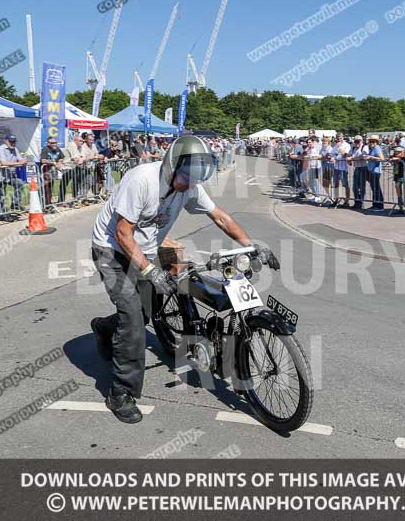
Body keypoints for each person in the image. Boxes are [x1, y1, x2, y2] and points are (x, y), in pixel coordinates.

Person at [89, 136, 279, 423]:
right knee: (133, 320)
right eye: (186, 177)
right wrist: (150, 271)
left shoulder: (190, 186)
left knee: (144, 313)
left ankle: (104, 328)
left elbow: (221, 217)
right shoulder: (141, 180)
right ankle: (120, 394)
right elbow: (122, 234)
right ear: (170, 166)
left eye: (195, 179)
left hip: (145, 249)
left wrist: (251, 246)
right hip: (111, 250)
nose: (190, 184)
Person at [0, 134, 27, 220]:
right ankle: (2, 212)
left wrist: (23, 160)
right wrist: (19, 163)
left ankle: (15, 204)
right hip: (0, 175)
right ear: (5, 141)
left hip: (10, 174)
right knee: (2, 194)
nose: (13, 143)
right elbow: (3, 163)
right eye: (11, 141)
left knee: (20, 184)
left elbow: (20, 159)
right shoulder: (1, 148)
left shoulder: (15, 149)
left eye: (14, 141)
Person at [62, 133, 88, 204]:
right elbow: (76, 158)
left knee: (76, 182)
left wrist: (82, 158)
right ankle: (61, 201)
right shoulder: (72, 145)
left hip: (74, 167)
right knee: (64, 184)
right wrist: (82, 158)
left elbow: (84, 156)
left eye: (83, 141)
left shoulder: (81, 147)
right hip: (66, 167)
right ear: (75, 141)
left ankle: (75, 199)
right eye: (80, 141)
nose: (82, 143)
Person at [39, 136, 64, 207]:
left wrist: (59, 162)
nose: (54, 144)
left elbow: (61, 157)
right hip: (45, 172)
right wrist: (53, 163)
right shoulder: (45, 149)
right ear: (48, 143)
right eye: (52, 143)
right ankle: (43, 205)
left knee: (50, 188)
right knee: (45, 189)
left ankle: (48, 203)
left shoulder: (57, 149)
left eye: (55, 143)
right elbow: (43, 160)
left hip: (52, 173)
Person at [364, 135, 385, 211]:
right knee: (374, 188)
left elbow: (382, 158)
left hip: (376, 171)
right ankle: (375, 204)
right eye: (370, 141)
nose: (371, 143)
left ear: (376, 142)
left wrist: (371, 157)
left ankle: (379, 206)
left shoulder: (377, 148)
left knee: (376, 188)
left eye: (373, 141)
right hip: (372, 170)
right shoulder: (372, 148)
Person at [331, 133, 351, 207]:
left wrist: (340, 148)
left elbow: (346, 155)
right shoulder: (336, 145)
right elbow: (332, 153)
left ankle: (347, 200)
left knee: (345, 184)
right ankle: (336, 199)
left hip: (343, 167)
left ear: (343, 137)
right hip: (336, 167)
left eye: (340, 137)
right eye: (337, 137)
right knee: (336, 183)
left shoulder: (347, 145)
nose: (339, 138)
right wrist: (333, 158)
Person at [349, 135, 368, 209]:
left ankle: (362, 202)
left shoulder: (364, 147)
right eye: (355, 141)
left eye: (358, 141)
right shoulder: (353, 148)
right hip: (356, 168)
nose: (357, 143)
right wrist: (347, 157)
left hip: (363, 168)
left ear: (361, 141)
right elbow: (349, 154)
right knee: (355, 187)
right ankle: (357, 202)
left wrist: (352, 158)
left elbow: (363, 156)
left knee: (362, 186)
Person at [389, 146, 405, 214]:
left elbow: (400, 160)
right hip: (396, 175)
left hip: (401, 176)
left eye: (398, 152)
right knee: (398, 189)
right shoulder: (394, 157)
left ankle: (401, 202)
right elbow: (391, 158)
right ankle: (400, 206)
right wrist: (391, 158)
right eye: (396, 152)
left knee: (397, 186)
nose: (396, 153)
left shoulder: (403, 158)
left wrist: (395, 158)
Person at [319, 136, 334, 206]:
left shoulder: (330, 149)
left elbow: (329, 156)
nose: (323, 142)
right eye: (323, 141)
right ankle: (328, 197)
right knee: (324, 183)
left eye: (325, 141)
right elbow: (320, 156)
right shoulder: (322, 148)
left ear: (328, 142)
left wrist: (321, 157)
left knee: (328, 182)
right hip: (324, 167)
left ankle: (330, 198)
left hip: (329, 167)